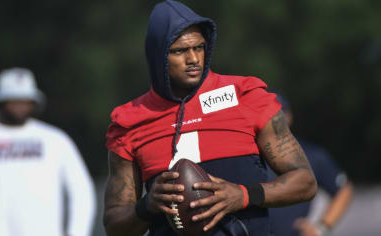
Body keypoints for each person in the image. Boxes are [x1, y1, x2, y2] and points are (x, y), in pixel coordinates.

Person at [103, 1, 317, 235]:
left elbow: (305, 182)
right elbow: (114, 226)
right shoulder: (129, 122)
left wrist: (243, 195)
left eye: (199, 47)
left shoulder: (247, 96)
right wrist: (147, 206)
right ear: (158, 55)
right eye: (180, 51)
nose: (193, 59)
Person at [0, 68, 96, 236]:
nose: (20, 105)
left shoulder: (55, 140)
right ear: (1, 101)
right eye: (14, 99)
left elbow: (81, 190)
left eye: (24, 99)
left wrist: (77, 232)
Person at [268, 95, 353, 236]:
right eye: (269, 114)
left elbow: (344, 190)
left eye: (279, 114)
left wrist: (321, 228)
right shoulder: (249, 154)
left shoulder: (311, 155)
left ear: (289, 117)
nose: (274, 120)